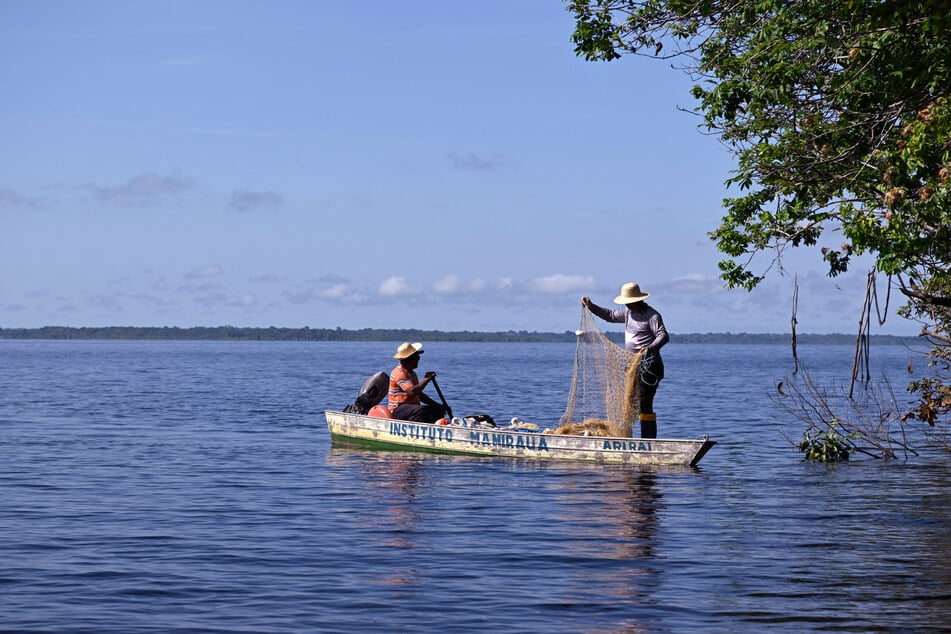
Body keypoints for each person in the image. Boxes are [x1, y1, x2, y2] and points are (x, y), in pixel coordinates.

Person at [582, 282, 669, 439]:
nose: (627, 304)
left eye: (629, 301)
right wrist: (591, 306)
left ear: (638, 300)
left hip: (649, 366)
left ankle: (648, 441)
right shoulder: (628, 313)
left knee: (644, 403)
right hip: (632, 366)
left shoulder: (652, 315)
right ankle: (630, 438)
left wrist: (650, 348)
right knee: (630, 403)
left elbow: (663, 335)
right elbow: (610, 315)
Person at [387, 342, 448, 423]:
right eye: (416, 358)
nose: (418, 360)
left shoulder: (412, 373)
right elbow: (412, 392)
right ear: (408, 360)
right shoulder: (399, 373)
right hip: (397, 410)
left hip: (411, 409)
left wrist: (439, 406)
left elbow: (419, 394)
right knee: (420, 410)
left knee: (437, 410)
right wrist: (426, 379)